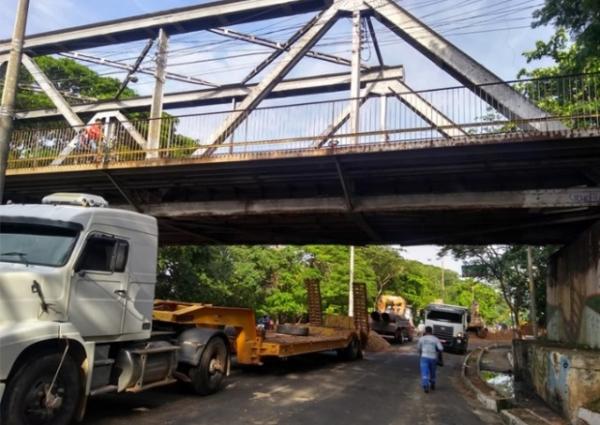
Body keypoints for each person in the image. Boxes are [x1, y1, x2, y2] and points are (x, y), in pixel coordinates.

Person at [417, 326, 443, 393]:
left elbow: (418, 348)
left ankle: (425, 385)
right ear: (432, 332)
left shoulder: (422, 339)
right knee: (432, 372)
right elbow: (440, 348)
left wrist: (420, 354)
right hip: (433, 358)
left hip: (424, 357)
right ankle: (433, 383)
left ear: (425, 331)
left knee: (424, 372)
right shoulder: (435, 339)